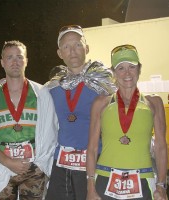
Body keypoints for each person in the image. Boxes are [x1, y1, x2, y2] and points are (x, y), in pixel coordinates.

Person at [0, 40, 58, 200]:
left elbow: (51, 133)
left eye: (19, 57)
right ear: (2, 62)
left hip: (34, 168)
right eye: (10, 57)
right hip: (0, 166)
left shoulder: (41, 94)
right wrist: (7, 161)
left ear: (26, 61)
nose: (15, 62)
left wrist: (35, 162)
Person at [86, 44, 167, 200]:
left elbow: (161, 147)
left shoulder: (154, 102)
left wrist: (161, 185)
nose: (127, 73)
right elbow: (92, 148)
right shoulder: (101, 103)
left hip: (142, 179)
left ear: (139, 69)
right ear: (114, 73)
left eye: (132, 67)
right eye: (121, 68)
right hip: (105, 177)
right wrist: (90, 187)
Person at [45, 25, 116, 200]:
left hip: (94, 162)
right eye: (66, 47)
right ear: (60, 53)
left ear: (87, 48)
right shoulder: (51, 88)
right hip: (60, 164)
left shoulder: (104, 85)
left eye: (77, 44)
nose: (72, 51)